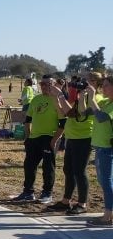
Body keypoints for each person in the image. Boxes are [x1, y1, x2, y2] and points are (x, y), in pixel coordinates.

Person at [48, 72, 103, 215]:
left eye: (89, 81)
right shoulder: (80, 97)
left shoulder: (97, 99)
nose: (85, 83)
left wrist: (60, 95)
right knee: (68, 170)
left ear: (97, 83)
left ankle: (82, 203)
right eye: (84, 80)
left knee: (79, 171)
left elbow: (77, 115)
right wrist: (56, 97)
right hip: (72, 137)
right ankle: (66, 201)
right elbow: (65, 113)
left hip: (84, 138)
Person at [13, 76, 65, 203]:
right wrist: (28, 136)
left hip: (49, 137)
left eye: (47, 84)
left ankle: (47, 192)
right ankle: (28, 192)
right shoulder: (36, 99)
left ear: (53, 85)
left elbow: (63, 123)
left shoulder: (57, 100)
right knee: (29, 165)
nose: (43, 86)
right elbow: (28, 119)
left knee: (48, 167)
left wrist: (54, 140)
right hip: (34, 138)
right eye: (42, 83)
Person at [85, 78, 113, 226]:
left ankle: (107, 216)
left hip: (107, 149)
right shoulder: (105, 102)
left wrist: (93, 97)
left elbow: (101, 117)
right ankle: (109, 212)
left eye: (107, 86)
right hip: (100, 147)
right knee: (103, 181)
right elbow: (86, 112)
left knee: (107, 182)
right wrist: (85, 96)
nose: (104, 88)